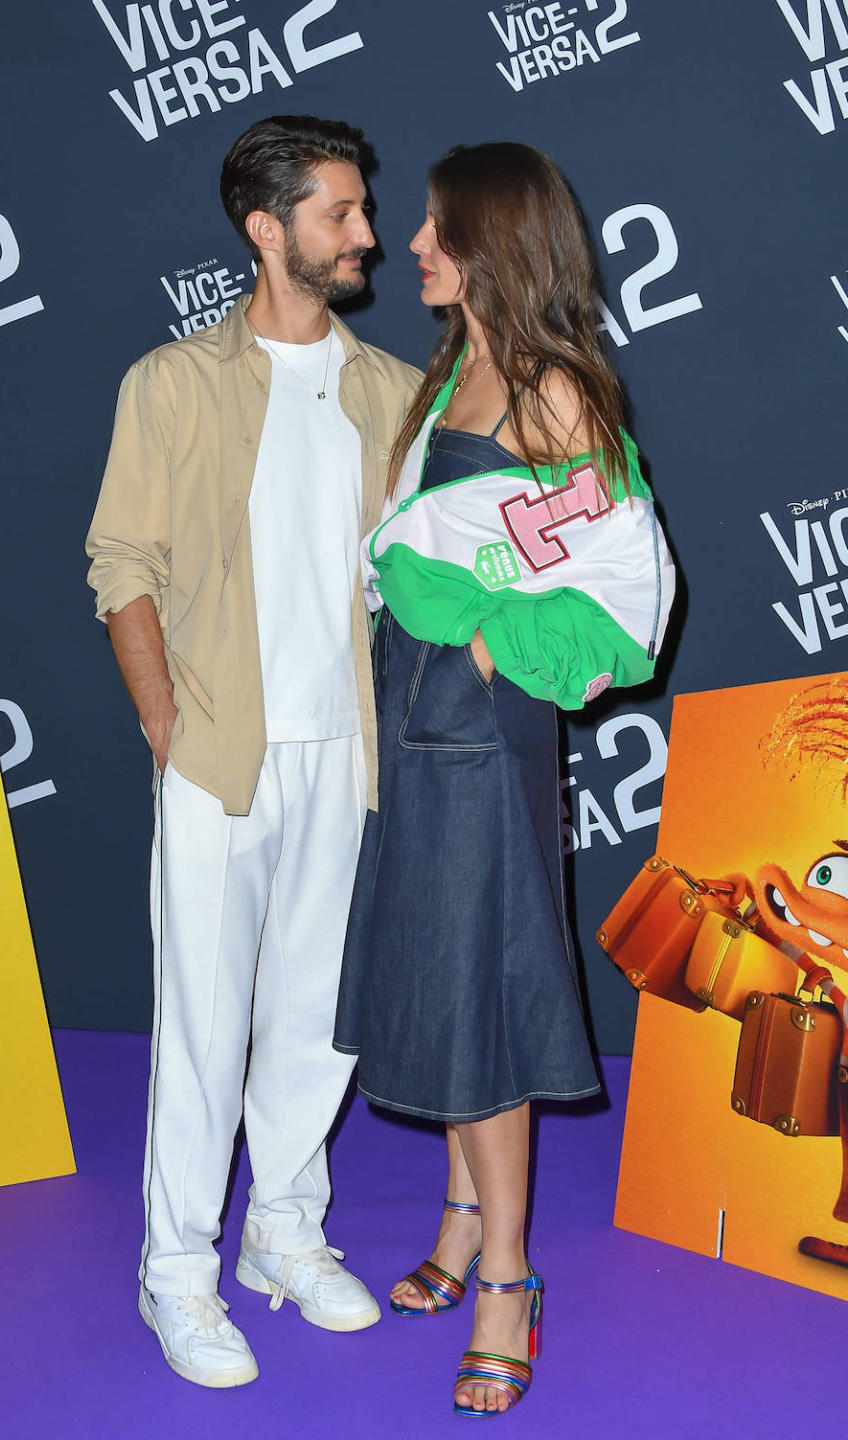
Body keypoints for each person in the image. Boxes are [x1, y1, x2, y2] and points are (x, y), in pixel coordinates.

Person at [334, 142, 675, 1418]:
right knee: (443, 966)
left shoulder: (552, 394)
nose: (410, 248)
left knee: (480, 990)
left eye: (432, 230)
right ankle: (466, 1218)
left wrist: (483, 652)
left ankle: (510, 1284)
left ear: (489, 245)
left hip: (480, 730)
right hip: (414, 720)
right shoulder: (454, 369)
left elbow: (627, 592)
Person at [86, 114, 420, 1389]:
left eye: (362, 209)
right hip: (221, 752)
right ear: (267, 229)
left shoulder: (390, 391)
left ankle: (286, 1231)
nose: (367, 236)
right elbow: (124, 564)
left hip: (351, 756)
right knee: (203, 1025)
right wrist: (166, 724)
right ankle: (177, 1274)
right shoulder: (172, 383)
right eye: (340, 213)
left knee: (315, 1021)